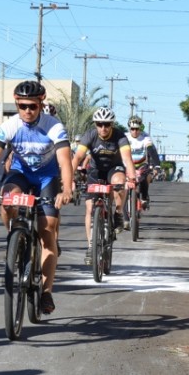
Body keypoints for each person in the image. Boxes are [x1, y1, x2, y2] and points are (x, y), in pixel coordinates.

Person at [0, 80, 74, 315]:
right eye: (22, 106)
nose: (27, 111)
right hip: (20, 174)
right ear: (17, 104)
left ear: (41, 104)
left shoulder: (53, 126)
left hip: (47, 178)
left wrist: (67, 189)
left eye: (32, 106)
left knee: (47, 232)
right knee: (8, 200)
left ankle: (46, 291)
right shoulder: (10, 126)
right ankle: (15, 238)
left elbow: (64, 161)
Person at [71, 107, 136, 264]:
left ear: (112, 124)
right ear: (95, 124)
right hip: (95, 171)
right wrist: (70, 178)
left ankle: (118, 213)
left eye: (107, 124)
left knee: (120, 182)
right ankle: (91, 246)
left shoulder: (120, 137)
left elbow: (127, 159)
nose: (103, 128)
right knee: (89, 208)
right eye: (99, 124)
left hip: (114, 169)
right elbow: (77, 157)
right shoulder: (90, 135)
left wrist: (132, 177)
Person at [126, 116, 161, 207]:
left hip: (141, 164)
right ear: (129, 128)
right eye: (132, 129)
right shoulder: (125, 137)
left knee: (143, 178)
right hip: (128, 164)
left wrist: (157, 165)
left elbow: (152, 150)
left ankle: (144, 198)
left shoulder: (145, 137)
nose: (135, 131)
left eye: (137, 129)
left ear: (140, 129)